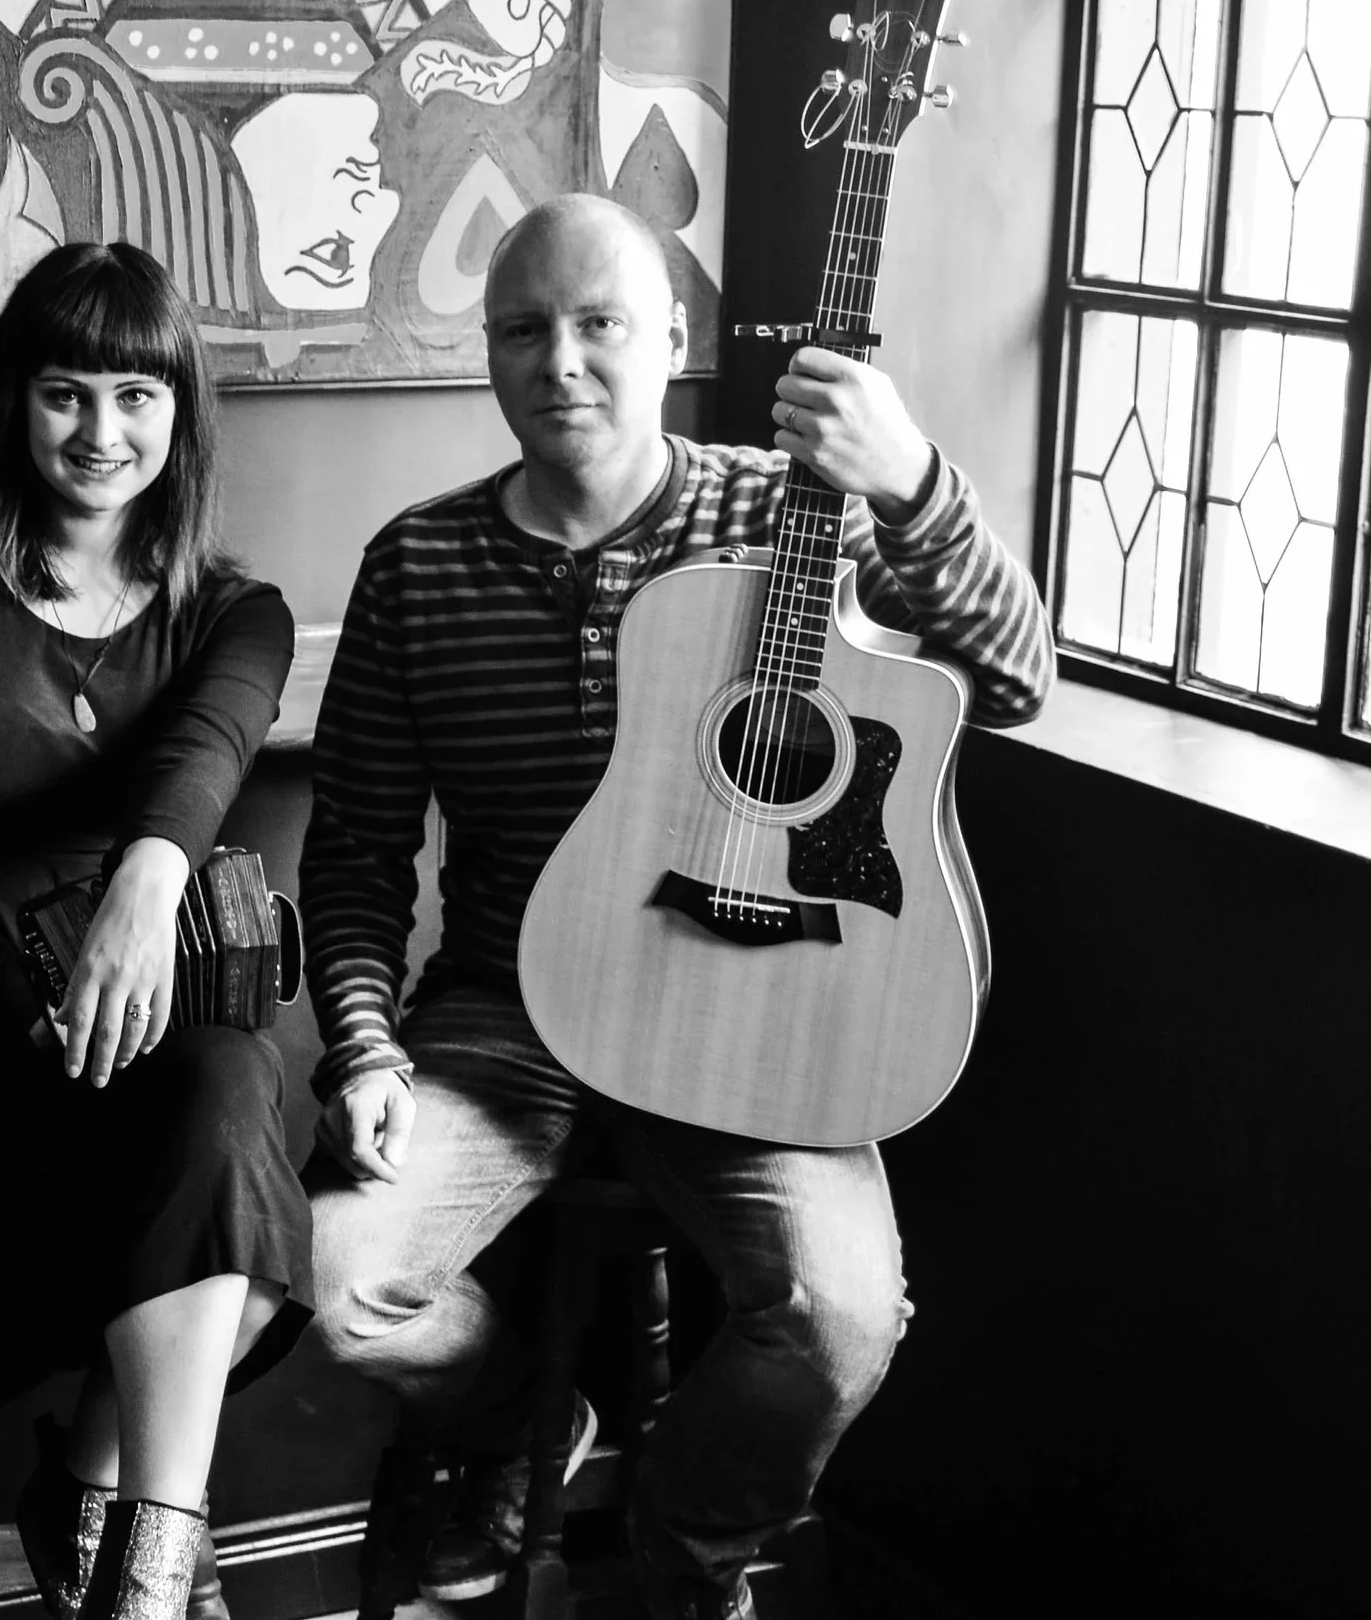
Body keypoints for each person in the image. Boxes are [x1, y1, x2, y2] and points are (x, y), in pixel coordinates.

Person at [301, 195, 1053, 1620]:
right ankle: (527, 1417)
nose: (562, 361)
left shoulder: (787, 515)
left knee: (838, 1320)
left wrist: (912, 480)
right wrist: (365, 1048)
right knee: (336, 1284)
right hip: (502, 1016)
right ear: (488, 350)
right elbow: (353, 853)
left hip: (752, 1016)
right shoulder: (416, 564)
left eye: (599, 324)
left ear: (672, 339)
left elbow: (1016, 678)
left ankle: (683, 1551)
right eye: (525, 328)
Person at [0, 242, 311, 1620]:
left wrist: (144, 890)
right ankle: (124, 1545)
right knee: (236, 1203)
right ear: (13, 403)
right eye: (65, 393)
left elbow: (209, 752)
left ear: (182, 415)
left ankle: (134, 1569)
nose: (102, 433)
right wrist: (28, 997)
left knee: (224, 1101)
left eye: (136, 398)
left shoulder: (237, 614)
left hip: (147, 1061)